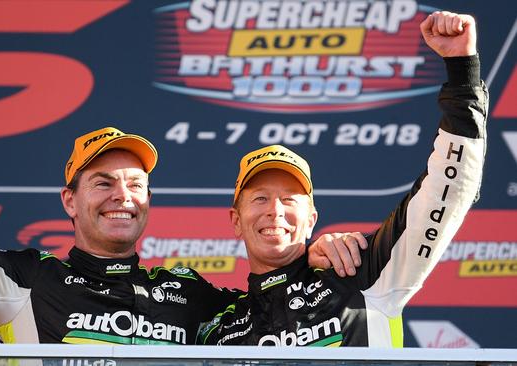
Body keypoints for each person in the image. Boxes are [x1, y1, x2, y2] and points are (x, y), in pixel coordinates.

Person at [0, 62, 364, 343]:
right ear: (70, 200)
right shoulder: (27, 283)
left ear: (147, 200)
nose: (122, 197)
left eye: (135, 184)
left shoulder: (191, 297)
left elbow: (273, 312)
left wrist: (309, 260)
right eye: (103, 183)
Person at [197, 11, 487, 347]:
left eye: (290, 200)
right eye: (260, 198)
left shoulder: (359, 274)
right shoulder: (219, 327)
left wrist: (462, 73)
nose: (275, 211)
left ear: (311, 220)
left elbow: (446, 191)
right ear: (235, 220)